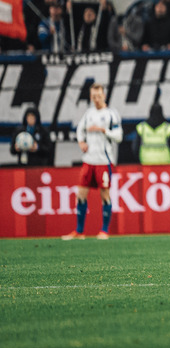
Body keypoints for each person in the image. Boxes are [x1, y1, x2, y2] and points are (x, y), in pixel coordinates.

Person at [63, 84, 123, 240]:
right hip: (88, 160)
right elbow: (79, 129)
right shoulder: (88, 114)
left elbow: (119, 136)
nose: (96, 99)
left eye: (98, 96)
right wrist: (81, 142)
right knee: (81, 194)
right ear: (91, 97)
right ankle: (79, 231)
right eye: (93, 96)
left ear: (104, 96)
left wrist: (104, 130)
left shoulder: (111, 114)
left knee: (105, 195)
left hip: (103, 161)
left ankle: (104, 230)